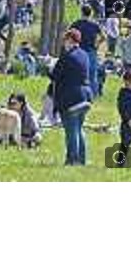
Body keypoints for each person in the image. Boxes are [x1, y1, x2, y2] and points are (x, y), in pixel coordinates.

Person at [51, 29, 93, 166]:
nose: (64, 44)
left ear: (69, 40)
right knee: (79, 129)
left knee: (71, 131)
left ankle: (71, 160)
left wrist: (50, 67)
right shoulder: (85, 55)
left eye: (65, 40)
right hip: (86, 96)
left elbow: (54, 76)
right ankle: (82, 159)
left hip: (71, 98)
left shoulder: (66, 56)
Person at [70, 5, 103, 97]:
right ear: (90, 13)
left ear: (82, 12)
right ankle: (93, 95)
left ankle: (78, 93)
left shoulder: (76, 24)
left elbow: (69, 35)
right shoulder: (94, 25)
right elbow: (103, 36)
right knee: (92, 75)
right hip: (91, 50)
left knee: (78, 74)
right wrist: (97, 45)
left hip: (79, 51)